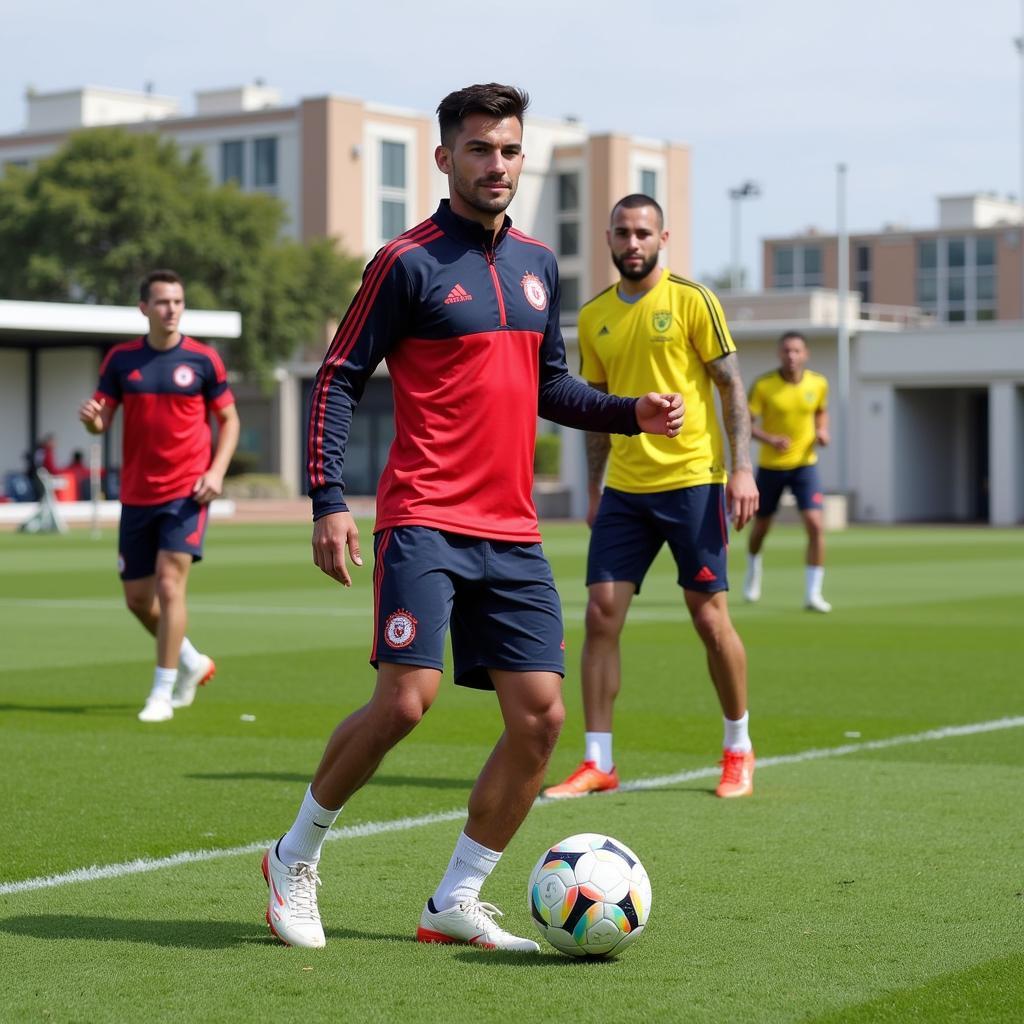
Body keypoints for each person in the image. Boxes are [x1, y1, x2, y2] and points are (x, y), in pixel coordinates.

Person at [262, 84, 683, 954]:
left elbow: (550, 384)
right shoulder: (404, 262)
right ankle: (293, 857)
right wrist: (329, 501)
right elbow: (339, 375)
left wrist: (627, 410)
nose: (499, 164)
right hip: (422, 516)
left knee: (540, 720)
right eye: (482, 149)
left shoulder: (539, 262)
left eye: (512, 149)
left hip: (514, 529)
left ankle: (453, 899)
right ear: (445, 157)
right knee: (406, 702)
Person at [543, 194, 760, 803]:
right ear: (608, 238)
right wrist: (594, 488)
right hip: (625, 492)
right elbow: (594, 409)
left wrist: (741, 470)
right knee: (598, 616)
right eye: (622, 233)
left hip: (693, 480)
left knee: (709, 617)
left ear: (664, 237)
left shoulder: (693, 300)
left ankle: (738, 750)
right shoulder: (593, 318)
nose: (631, 243)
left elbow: (730, 386)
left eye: (643, 233)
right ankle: (598, 762)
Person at [78, 269, 240, 722]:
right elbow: (101, 422)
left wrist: (216, 470)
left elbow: (230, 420)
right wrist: (91, 419)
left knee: (170, 585)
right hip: (136, 494)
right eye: (163, 302)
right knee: (136, 599)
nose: (171, 309)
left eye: (178, 301)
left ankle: (161, 692)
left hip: (187, 492)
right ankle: (190, 660)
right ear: (144, 308)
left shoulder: (204, 360)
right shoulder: (120, 360)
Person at [743, 331, 831, 612]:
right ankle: (754, 568)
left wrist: (822, 430)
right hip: (771, 466)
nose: (791, 356)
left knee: (816, 525)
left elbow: (820, 410)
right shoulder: (765, 385)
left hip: (805, 464)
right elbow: (745, 422)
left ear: (805, 354)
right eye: (786, 351)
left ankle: (812, 593)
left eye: (796, 351)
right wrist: (769, 438)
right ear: (779, 354)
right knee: (761, 528)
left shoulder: (818, 383)